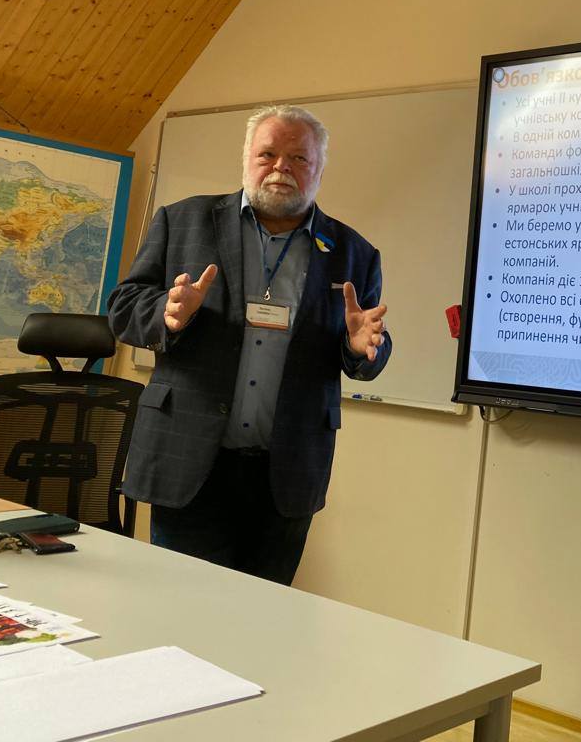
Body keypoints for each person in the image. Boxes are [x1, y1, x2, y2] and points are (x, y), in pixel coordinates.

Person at [108, 104, 391, 585]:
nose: (281, 167)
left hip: (286, 472)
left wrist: (361, 345)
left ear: (319, 169)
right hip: (190, 460)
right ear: (246, 159)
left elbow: (368, 345)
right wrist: (168, 314)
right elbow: (123, 307)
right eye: (268, 154)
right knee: (179, 608)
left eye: (299, 158)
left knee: (267, 617)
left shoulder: (353, 252)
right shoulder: (183, 221)